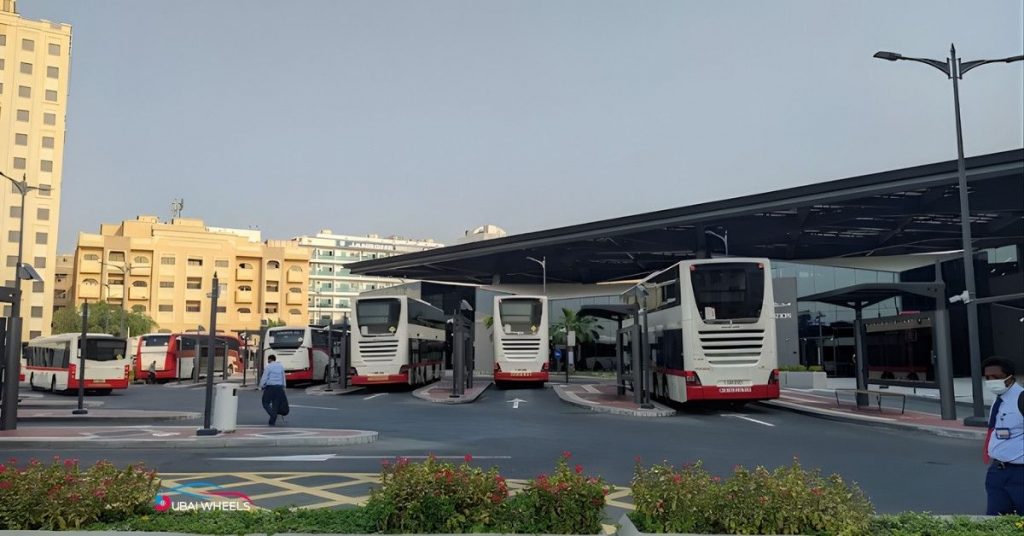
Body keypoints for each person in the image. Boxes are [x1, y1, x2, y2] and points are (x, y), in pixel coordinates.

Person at [982, 356, 1023, 515]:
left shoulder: (1021, 398)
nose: (992, 381)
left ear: (1009, 377)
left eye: (996, 377)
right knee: (995, 521)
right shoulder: (999, 399)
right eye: (988, 378)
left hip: (1019, 473)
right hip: (997, 472)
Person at [259, 355, 288, 426]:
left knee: (265, 402)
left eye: (268, 360)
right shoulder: (280, 366)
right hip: (279, 387)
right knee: (276, 404)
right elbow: (283, 377)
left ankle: (273, 414)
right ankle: (272, 422)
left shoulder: (268, 367)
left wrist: (261, 386)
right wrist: (284, 386)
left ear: (269, 360)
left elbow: (264, 377)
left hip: (270, 387)